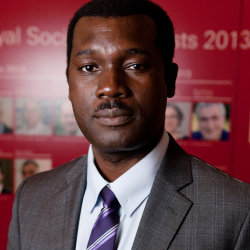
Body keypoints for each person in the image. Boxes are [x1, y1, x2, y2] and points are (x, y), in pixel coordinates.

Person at [8, 0, 250, 249]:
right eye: (89, 67)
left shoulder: (239, 212)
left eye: (135, 66)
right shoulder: (32, 197)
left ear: (170, 79)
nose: (111, 87)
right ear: (69, 83)